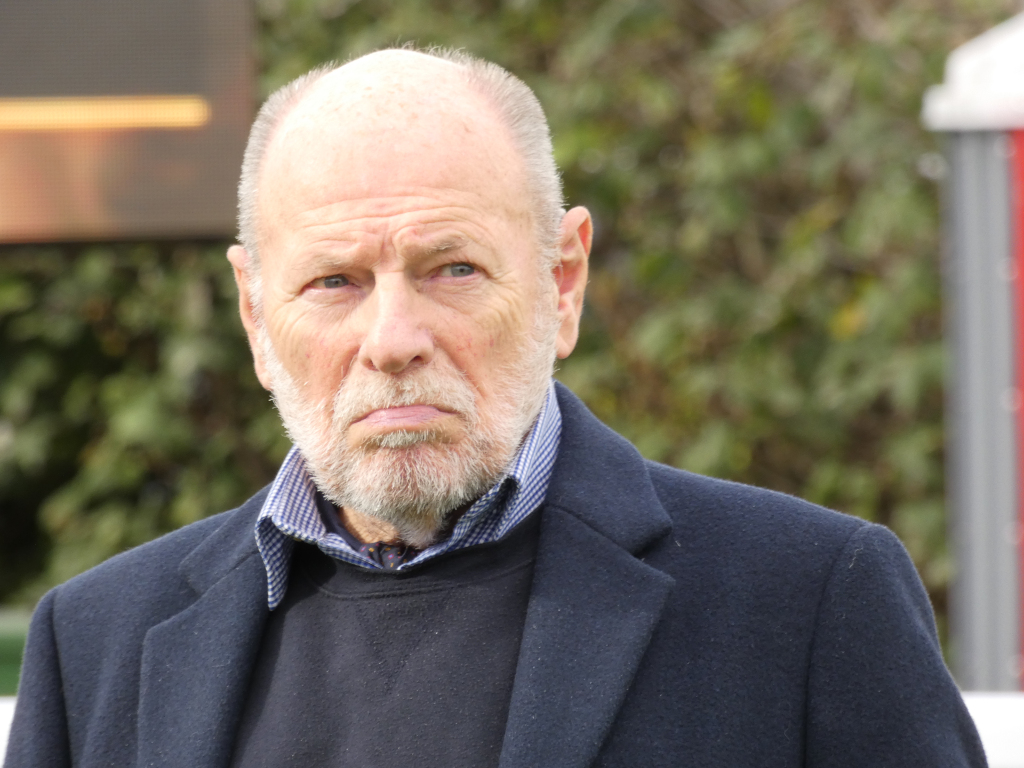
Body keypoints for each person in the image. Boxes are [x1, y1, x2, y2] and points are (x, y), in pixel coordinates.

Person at [5, 48, 985, 768]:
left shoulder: (803, 604)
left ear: (562, 281)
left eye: (452, 268)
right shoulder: (94, 646)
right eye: (335, 282)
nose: (392, 338)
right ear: (256, 317)